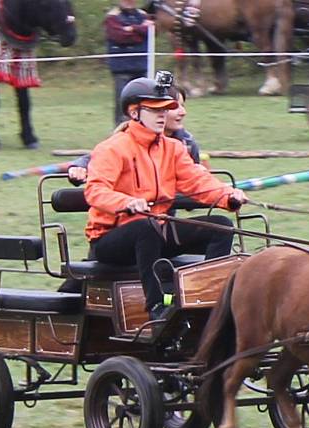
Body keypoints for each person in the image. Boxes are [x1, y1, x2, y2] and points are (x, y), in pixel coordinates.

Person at [84, 72, 248, 322]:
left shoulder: (173, 148)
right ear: (134, 112)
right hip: (111, 240)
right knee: (145, 227)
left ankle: (207, 297)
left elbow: (198, 181)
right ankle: (157, 307)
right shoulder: (112, 149)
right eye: (156, 110)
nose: (163, 115)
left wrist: (228, 196)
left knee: (221, 227)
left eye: (166, 109)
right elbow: (95, 190)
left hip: (156, 231)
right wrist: (126, 203)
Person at [67, 83, 201, 185]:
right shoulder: (119, 145)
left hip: (165, 214)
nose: (183, 112)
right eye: (173, 107)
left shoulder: (184, 144)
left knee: (218, 220)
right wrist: (78, 167)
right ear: (136, 113)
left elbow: (195, 186)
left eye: (183, 106)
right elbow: (96, 165)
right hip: (131, 215)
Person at [105, 0, 151, 125]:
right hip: (121, 69)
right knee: (123, 104)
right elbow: (119, 36)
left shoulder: (143, 15)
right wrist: (139, 30)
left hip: (141, 67)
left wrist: (132, 28)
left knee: (143, 104)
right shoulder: (112, 17)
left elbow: (150, 32)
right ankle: (120, 133)